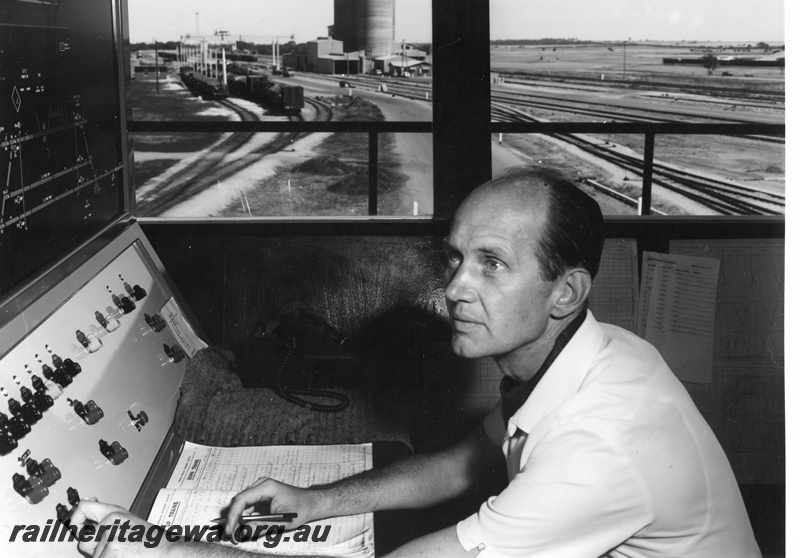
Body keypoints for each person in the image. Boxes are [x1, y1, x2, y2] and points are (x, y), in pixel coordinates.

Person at [71, 169, 761, 557]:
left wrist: (159, 549)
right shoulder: (591, 354)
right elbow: (465, 462)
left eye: (492, 264)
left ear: (566, 292)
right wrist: (316, 501)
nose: (455, 287)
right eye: (457, 259)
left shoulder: (601, 442)